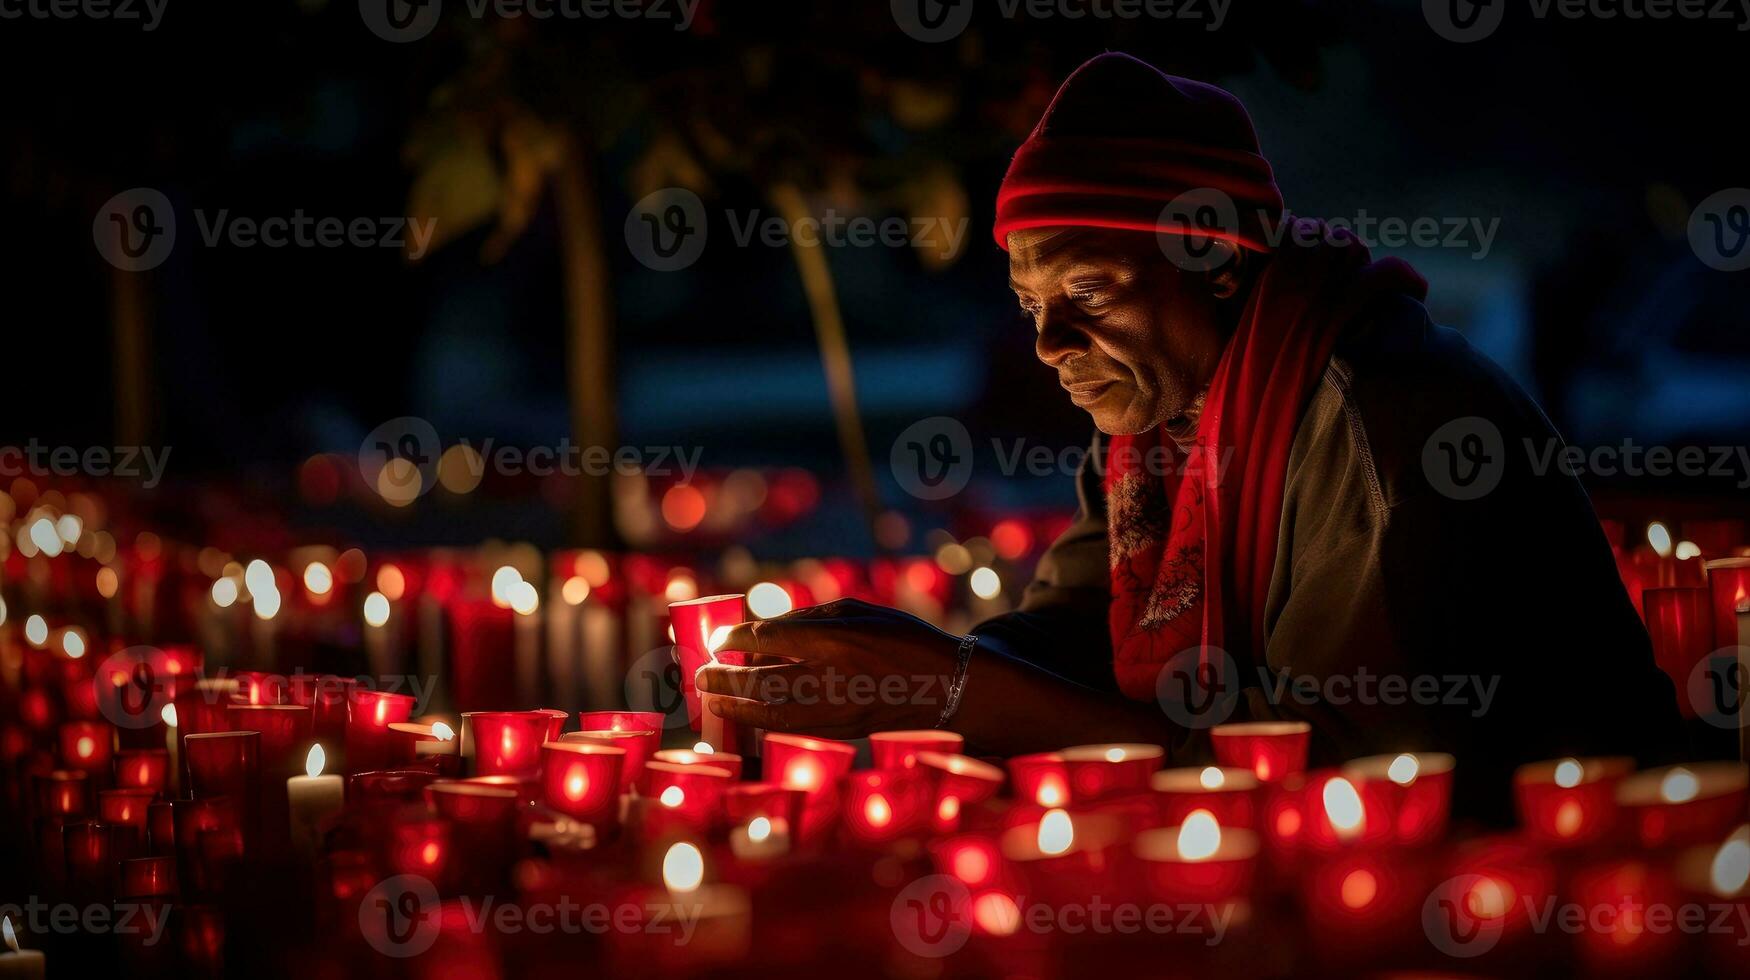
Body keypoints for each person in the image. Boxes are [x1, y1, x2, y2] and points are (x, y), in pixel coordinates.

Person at [697, 53, 1684, 820]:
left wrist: (953, 687)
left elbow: (1353, 775)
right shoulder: (1160, 423)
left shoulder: (1383, 419)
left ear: (1212, 257)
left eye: (1084, 292)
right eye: (1027, 302)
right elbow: (1078, 635)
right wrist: (890, 662)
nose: (1047, 344)